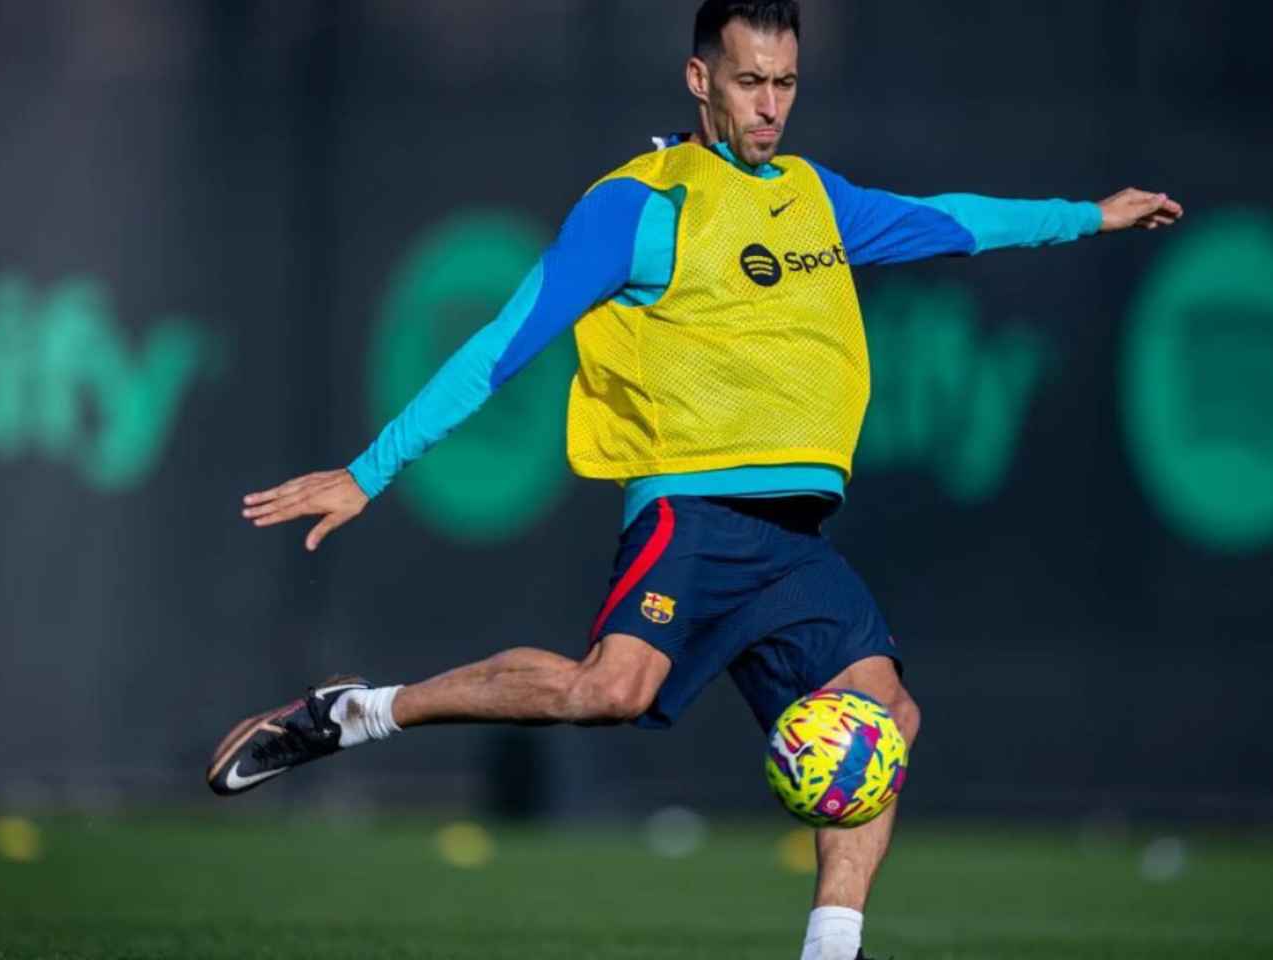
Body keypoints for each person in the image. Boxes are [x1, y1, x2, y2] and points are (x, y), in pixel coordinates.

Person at [206, 2, 1182, 957]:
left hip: (794, 545)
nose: (769, 105)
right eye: (749, 81)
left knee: (884, 722)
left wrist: (1087, 216)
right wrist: (370, 472)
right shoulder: (639, 203)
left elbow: (949, 221)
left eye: (785, 83)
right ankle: (358, 712)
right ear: (698, 78)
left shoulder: (811, 193)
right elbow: (505, 341)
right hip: (695, 511)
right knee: (612, 691)